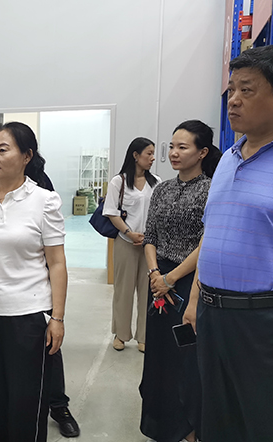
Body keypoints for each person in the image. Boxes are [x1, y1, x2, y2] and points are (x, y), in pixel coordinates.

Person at [183, 45, 273, 442]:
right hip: (212, 315)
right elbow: (212, 232)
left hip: (260, 321)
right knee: (218, 419)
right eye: (231, 89)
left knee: (260, 420)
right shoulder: (227, 160)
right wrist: (195, 300)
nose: (233, 100)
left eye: (246, 90)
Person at [0, 121, 67, 442]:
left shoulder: (44, 200)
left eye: (3, 150)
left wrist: (58, 318)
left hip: (28, 317)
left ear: (26, 156)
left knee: (26, 405)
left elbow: (57, 263)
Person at [140, 120, 220, 442]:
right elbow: (150, 237)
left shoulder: (211, 190)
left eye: (182, 147)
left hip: (188, 284)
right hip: (158, 282)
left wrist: (171, 278)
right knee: (158, 354)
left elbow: (206, 243)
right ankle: (158, 422)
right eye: (172, 146)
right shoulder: (162, 189)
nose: (173, 152)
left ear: (202, 152)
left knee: (184, 357)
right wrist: (155, 274)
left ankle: (186, 426)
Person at [103, 138, 160, 352]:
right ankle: (121, 334)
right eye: (149, 153)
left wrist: (149, 237)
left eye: (153, 153)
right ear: (135, 155)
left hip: (150, 245)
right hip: (126, 242)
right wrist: (129, 233)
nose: (152, 158)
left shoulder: (157, 182)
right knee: (123, 290)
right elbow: (111, 212)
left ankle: (144, 336)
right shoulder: (118, 182)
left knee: (147, 291)